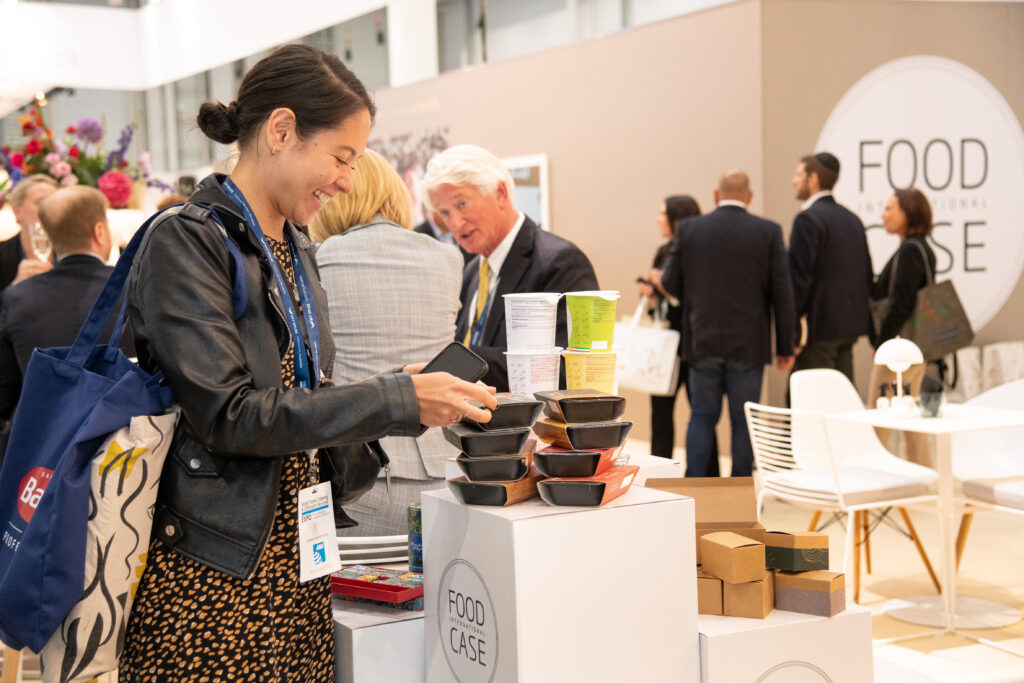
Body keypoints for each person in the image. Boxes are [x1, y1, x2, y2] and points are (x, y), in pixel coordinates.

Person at [119, 45, 496, 682]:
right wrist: (392, 400)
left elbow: (300, 399)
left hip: (298, 572)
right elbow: (229, 415)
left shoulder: (297, 249)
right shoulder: (187, 241)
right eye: (341, 157)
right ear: (282, 131)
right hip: (214, 583)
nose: (348, 180)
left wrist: (395, 400)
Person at [310, 149, 463, 536]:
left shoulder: (320, 259)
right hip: (444, 467)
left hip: (359, 473)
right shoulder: (448, 257)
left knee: (359, 595)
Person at [422, 144, 599, 391]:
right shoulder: (473, 271)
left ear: (501, 194)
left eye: (462, 204)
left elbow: (565, 369)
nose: (456, 223)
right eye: (444, 213)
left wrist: (456, 358)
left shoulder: (559, 262)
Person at [656, 170, 795, 477]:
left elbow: (669, 281)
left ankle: (696, 489)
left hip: (702, 342)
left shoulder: (691, 229)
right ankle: (741, 493)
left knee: (702, 417)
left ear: (716, 196)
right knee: (743, 422)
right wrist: (786, 345)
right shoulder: (768, 231)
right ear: (750, 196)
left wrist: (694, 296)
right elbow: (783, 294)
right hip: (750, 346)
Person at [0, 186, 117, 419]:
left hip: (44, 436)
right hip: (127, 436)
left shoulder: (16, 298)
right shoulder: (135, 285)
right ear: (100, 231)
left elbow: (4, 397)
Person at [638, 195, 718, 472]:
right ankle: (661, 477)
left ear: (677, 219)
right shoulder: (663, 252)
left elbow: (700, 297)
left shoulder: (701, 254)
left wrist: (666, 285)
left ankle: (710, 480)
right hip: (663, 350)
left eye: (663, 213)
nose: (659, 219)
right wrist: (651, 295)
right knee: (660, 416)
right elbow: (658, 309)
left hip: (696, 347)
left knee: (703, 416)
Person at [788, 152, 873, 390]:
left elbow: (799, 279)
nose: (794, 181)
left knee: (810, 403)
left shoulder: (807, 220)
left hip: (818, 330)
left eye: (798, 175)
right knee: (842, 403)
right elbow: (866, 274)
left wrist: (792, 332)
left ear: (813, 179)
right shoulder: (852, 220)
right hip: (849, 328)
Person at [868, 188, 936, 466]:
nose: (883, 215)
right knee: (913, 419)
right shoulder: (922, 249)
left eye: (889, 209)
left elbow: (903, 303)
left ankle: (871, 477)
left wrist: (883, 344)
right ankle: (923, 478)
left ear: (907, 212)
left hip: (898, 351)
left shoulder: (909, 251)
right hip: (914, 349)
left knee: (879, 417)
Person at [1, 174, 58, 291]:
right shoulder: (2, 255)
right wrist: (15, 288)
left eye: (54, 203)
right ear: (17, 212)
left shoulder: (73, 254)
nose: (50, 209)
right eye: (41, 203)